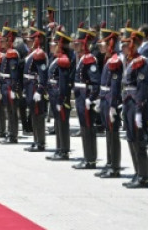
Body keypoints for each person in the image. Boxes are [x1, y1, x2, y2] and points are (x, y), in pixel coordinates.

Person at [120, 23, 148, 189]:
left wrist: (139, 109)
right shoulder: (129, 61)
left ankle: (143, 176)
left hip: (135, 104)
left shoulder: (141, 62)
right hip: (127, 102)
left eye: (125, 45)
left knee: (139, 140)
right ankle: (137, 172)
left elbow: (142, 88)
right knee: (131, 138)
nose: (123, 48)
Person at [96, 24, 123, 178]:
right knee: (108, 132)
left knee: (113, 133)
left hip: (110, 100)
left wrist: (113, 105)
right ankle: (109, 162)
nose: (100, 47)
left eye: (103, 44)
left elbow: (115, 85)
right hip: (105, 98)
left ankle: (115, 166)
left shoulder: (115, 61)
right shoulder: (108, 59)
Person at [72, 24, 99, 170]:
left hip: (86, 96)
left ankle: (90, 160)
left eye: (78, 44)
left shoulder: (90, 59)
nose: (75, 46)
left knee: (88, 127)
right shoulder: (81, 58)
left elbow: (95, 83)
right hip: (80, 96)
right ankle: (87, 158)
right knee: (84, 127)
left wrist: (91, 98)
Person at [47, 27, 75, 161]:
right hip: (54, 95)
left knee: (63, 124)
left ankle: (64, 151)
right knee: (58, 123)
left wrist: (61, 99)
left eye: (53, 44)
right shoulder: (56, 58)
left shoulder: (63, 59)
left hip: (60, 96)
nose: (51, 46)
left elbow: (63, 82)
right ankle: (59, 149)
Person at [19, 26, 47, 150]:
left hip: (35, 87)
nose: (28, 42)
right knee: (34, 115)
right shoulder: (32, 53)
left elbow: (42, 74)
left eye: (31, 40)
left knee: (38, 115)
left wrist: (40, 90)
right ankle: (36, 140)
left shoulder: (39, 54)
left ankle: (40, 142)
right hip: (30, 87)